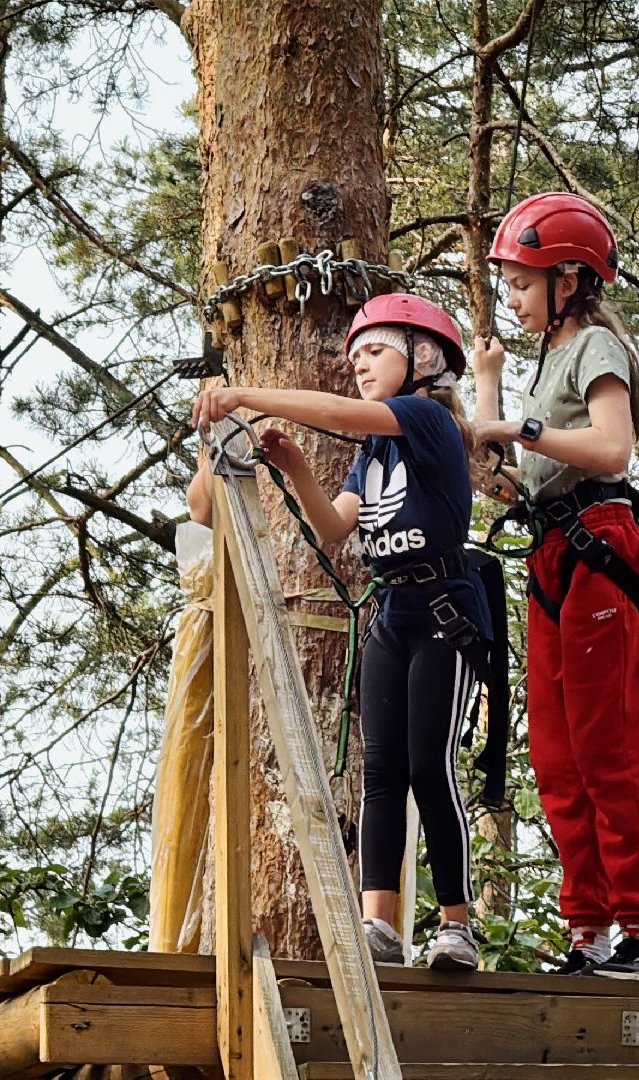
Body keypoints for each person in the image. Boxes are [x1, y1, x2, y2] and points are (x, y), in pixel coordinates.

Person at [191, 293, 490, 972]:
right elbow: (335, 527)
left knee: (427, 765)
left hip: (446, 612)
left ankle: (455, 925)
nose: (359, 364)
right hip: (396, 617)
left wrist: (246, 394)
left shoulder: (426, 420)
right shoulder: (375, 452)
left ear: (425, 359)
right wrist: (296, 466)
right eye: (354, 355)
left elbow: (338, 413)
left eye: (375, 351)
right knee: (381, 772)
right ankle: (378, 924)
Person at [471, 192, 639, 978]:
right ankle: (585, 928)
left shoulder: (594, 348)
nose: (511, 298)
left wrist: (517, 427)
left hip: (600, 544)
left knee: (605, 747)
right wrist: (490, 390)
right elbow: (508, 475)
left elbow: (612, 447)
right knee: (555, 755)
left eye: (521, 283)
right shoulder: (547, 359)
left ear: (570, 279)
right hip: (555, 551)